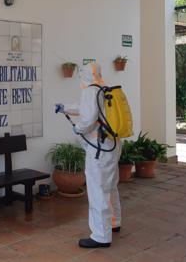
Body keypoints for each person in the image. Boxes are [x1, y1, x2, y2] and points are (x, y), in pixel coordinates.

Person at [55, 63, 121, 248]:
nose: (80, 79)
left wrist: (78, 127)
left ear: (85, 76)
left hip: (99, 148)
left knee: (97, 189)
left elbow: (89, 117)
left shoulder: (90, 91)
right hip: (112, 145)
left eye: (81, 75)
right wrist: (65, 108)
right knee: (110, 186)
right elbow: (88, 109)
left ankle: (101, 235)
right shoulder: (104, 88)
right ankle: (114, 222)